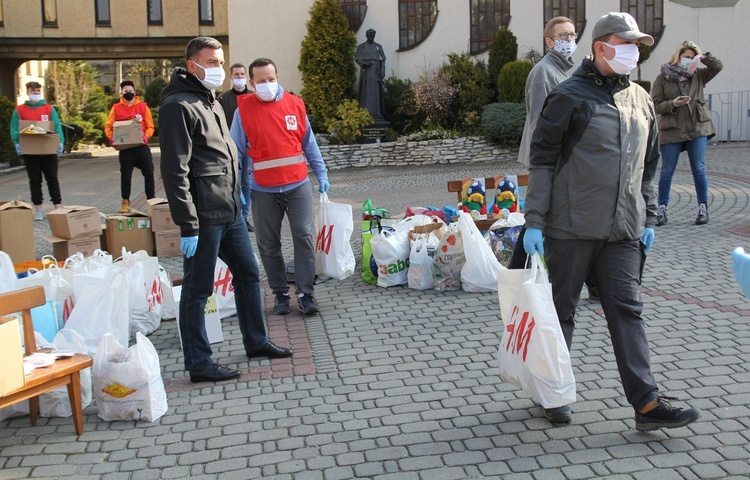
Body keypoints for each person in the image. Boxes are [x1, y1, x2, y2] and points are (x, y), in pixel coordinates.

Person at [522, 12, 701, 431]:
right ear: (601, 47)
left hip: (623, 228)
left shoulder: (639, 96)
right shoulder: (569, 95)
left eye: (637, 45)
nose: (633, 52)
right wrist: (534, 220)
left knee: (627, 310)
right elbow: (543, 161)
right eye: (626, 44)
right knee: (560, 311)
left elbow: (650, 161)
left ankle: (647, 404)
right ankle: (553, 391)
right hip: (570, 227)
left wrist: (650, 214)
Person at [159, 37, 292, 384]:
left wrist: (239, 195)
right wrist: (187, 225)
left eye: (220, 61)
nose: (219, 68)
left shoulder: (211, 102)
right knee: (197, 289)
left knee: (248, 274)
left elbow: (225, 155)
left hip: (230, 210)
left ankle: (256, 341)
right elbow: (175, 170)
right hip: (203, 217)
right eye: (212, 62)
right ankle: (199, 363)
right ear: (192, 65)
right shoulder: (179, 106)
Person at [509, 17, 607, 298]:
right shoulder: (544, 73)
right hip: (550, 159)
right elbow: (542, 122)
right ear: (549, 41)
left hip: (564, 158)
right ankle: (520, 277)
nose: (569, 39)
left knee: (550, 216)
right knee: (544, 216)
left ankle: (593, 282)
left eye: (572, 34)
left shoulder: (565, 71)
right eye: (562, 35)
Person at [230, 57, 330, 316]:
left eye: (271, 79)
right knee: (268, 242)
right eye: (261, 81)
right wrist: (238, 189)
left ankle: (306, 294)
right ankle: (280, 294)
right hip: (263, 190)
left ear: (277, 77)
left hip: (297, 184)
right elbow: (235, 153)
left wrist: (321, 173)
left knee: (304, 236)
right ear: (251, 83)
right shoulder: (243, 112)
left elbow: (309, 144)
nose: (267, 84)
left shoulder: (294, 105)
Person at [651, 41, 723, 226]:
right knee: (667, 170)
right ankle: (661, 209)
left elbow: (718, 66)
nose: (689, 61)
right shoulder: (663, 77)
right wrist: (673, 103)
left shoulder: (699, 75)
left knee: (698, 168)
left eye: (693, 57)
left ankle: (702, 208)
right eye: (687, 57)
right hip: (672, 128)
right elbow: (656, 105)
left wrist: (704, 57)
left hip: (697, 127)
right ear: (678, 56)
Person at [9, 81, 65, 221]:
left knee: (52, 179)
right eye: (33, 91)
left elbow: (57, 126)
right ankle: (38, 208)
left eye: (37, 91)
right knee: (35, 180)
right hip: (30, 151)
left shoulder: (48, 109)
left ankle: (57, 205)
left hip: (48, 150)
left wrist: (61, 141)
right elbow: (14, 128)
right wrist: (16, 142)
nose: (35, 93)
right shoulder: (20, 110)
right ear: (27, 92)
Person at [104, 80, 156, 213]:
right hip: (126, 149)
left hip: (141, 146)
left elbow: (150, 126)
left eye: (130, 91)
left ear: (134, 91)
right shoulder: (116, 108)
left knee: (149, 173)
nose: (129, 93)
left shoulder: (143, 107)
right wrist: (111, 137)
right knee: (126, 176)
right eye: (126, 91)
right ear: (121, 93)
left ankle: (151, 200)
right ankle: (125, 202)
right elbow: (108, 126)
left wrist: (146, 136)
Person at [218, 63, 254, 232]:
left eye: (242, 74)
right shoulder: (223, 99)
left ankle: (244, 217)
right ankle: (234, 217)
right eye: (236, 75)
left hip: (250, 148)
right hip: (230, 149)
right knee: (232, 184)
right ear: (231, 77)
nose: (240, 77)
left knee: (247, 184)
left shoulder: (254, 97)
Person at [355, 29, 386, 120]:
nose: (371, 36)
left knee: (376, 93)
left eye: (372, 35)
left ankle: (377, 113)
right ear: (366, 35)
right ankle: (365, 113)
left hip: (376, 72)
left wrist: (382, 73)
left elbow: (382, 61)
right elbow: (357, 59)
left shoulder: (378, 46)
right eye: (369, 35)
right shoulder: (361, 47)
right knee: (365, 94)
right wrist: (363, 63)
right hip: (366, 72)